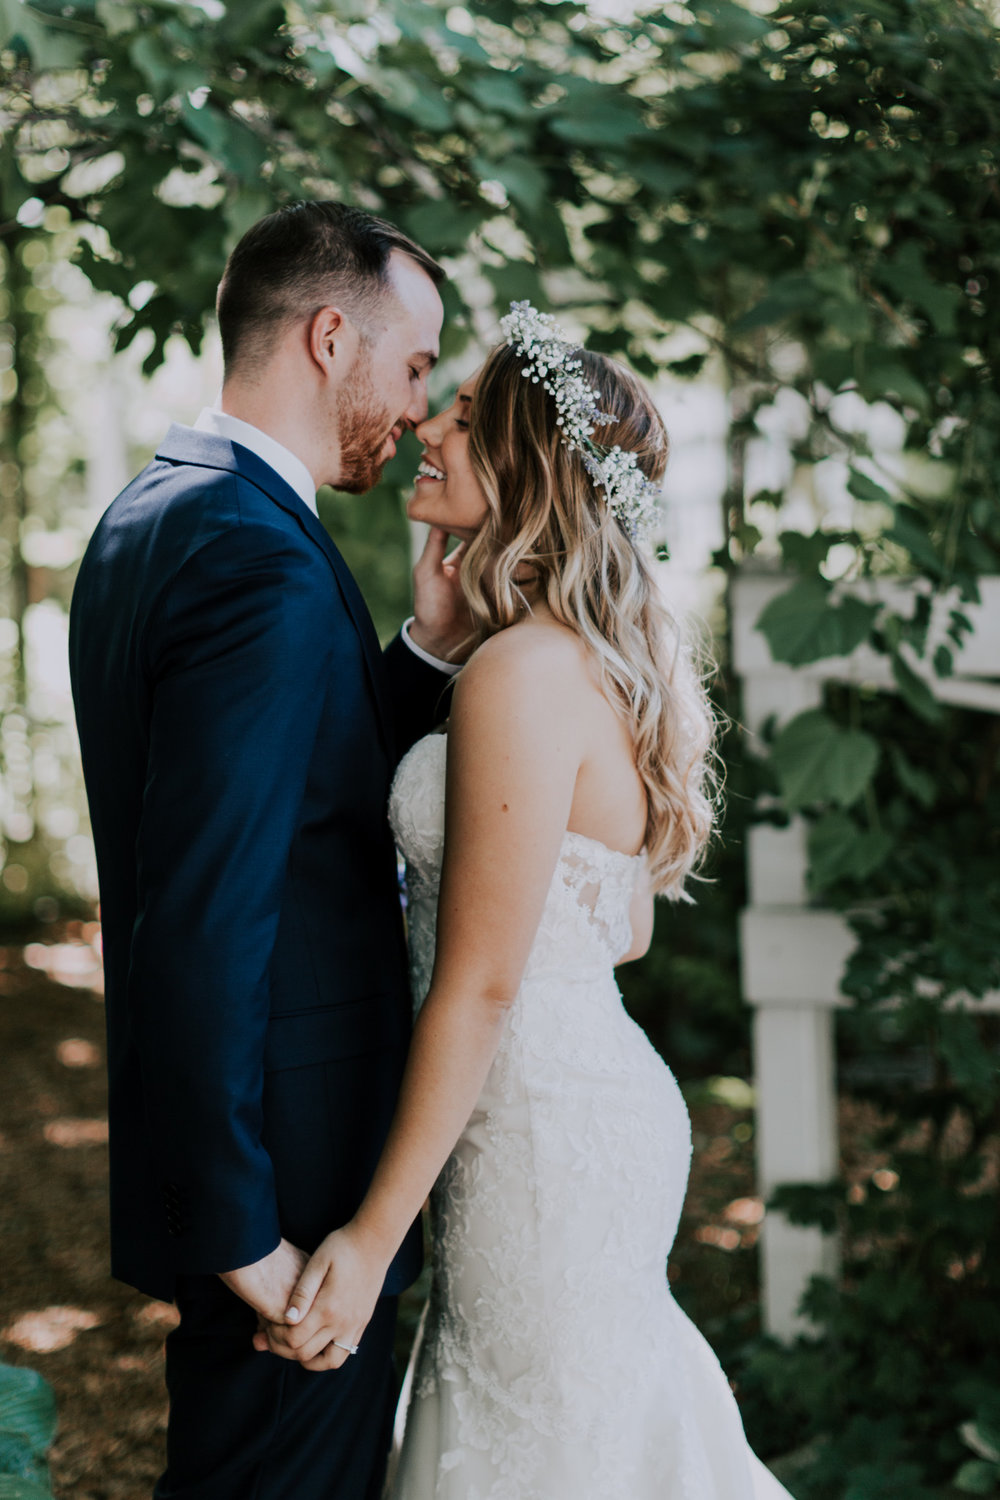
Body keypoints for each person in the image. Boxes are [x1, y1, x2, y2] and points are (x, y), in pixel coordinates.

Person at [258, 303, 795, 1498]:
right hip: (572, 1113)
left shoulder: (520, 674)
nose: (427, 429)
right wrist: (439, 641)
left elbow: (484, 982)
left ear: (525, 464)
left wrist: (368, 1238)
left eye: (461, 414)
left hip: (532, 1145)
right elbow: (622, 928)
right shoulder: (570, 659)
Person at [68, 201, 472, 1500]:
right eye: (414, 367)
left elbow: (296, 797)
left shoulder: (160, 514)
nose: (418, 411)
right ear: (330, 333)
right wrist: (252, 1244)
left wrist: (420, 658)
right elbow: (206, 917)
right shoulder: (256, 557)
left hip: (254, 1165)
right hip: (289, 1200)